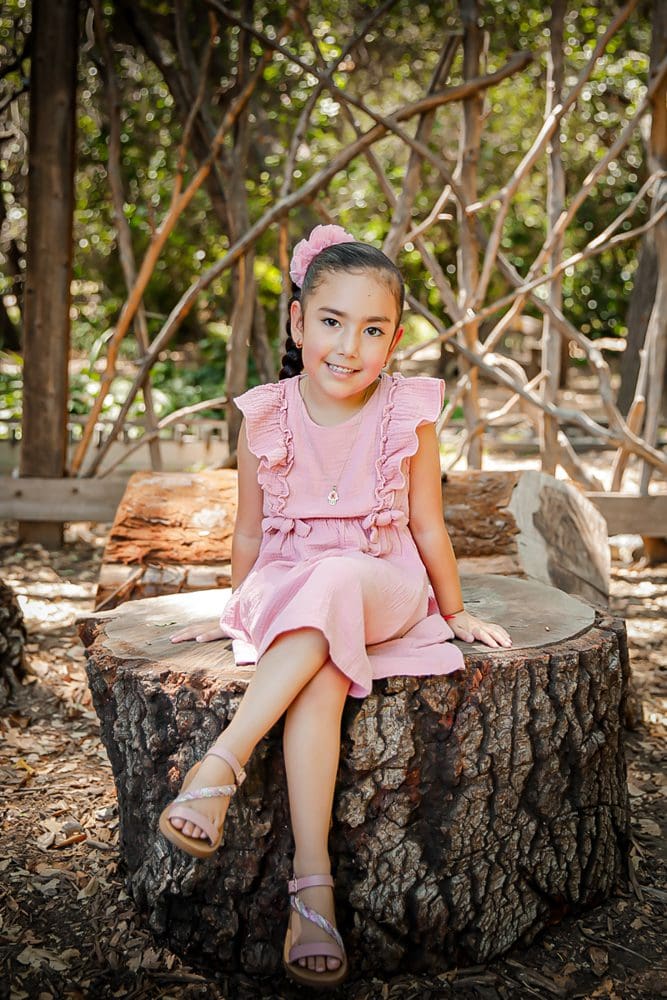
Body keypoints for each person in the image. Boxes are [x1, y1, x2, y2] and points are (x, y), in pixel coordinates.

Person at [160, 224, 512, 989]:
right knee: (317, 673)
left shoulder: (404, 413)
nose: (348, 346)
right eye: (330, 321)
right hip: (293, 585)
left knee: (337, 581)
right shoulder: (267, 414)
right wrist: (237, 607)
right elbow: (250, 529)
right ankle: (311, 884)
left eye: (372, 328)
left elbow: (425, 523)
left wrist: (452, 611)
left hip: (379, 583)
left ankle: (221, 760)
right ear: (296, 322)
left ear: (392, 340)